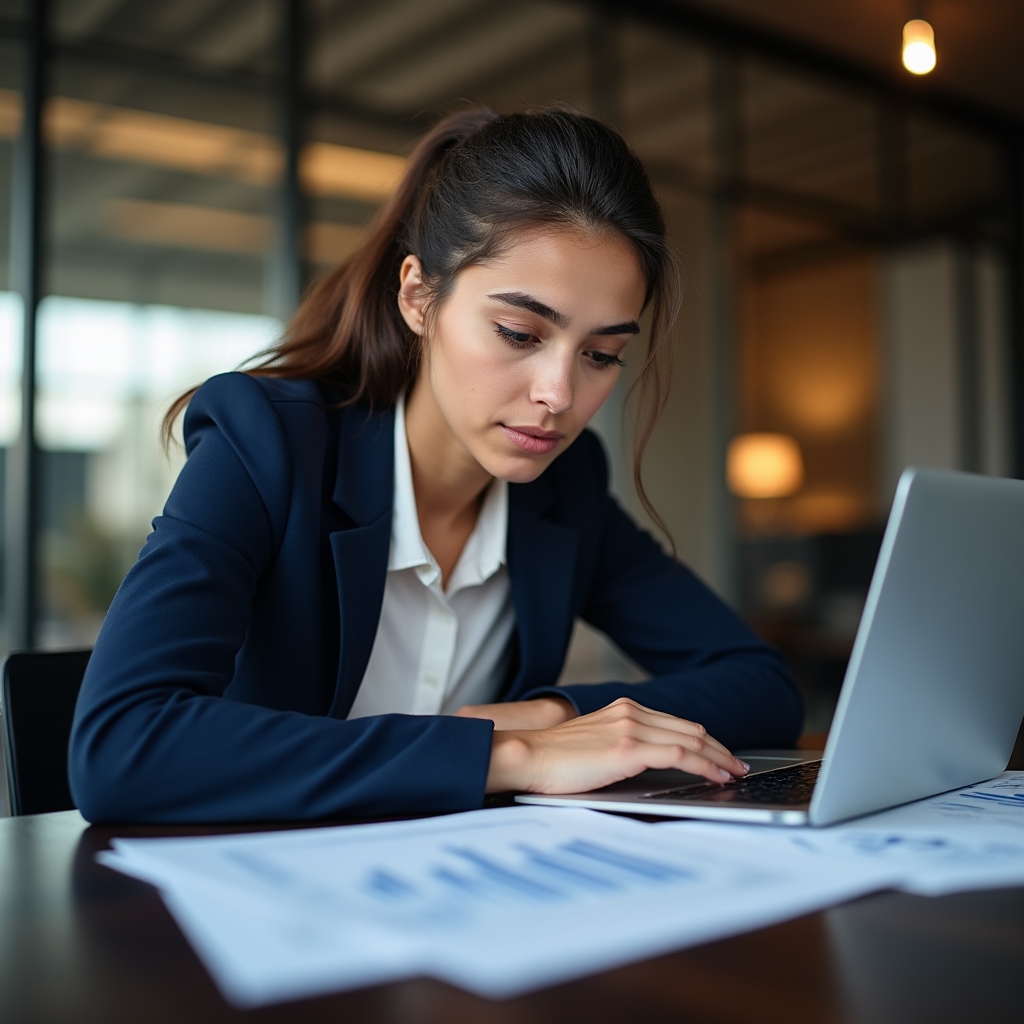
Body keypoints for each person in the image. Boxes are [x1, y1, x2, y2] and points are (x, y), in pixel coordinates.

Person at [69, 108, 802, 823]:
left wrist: (552, 713)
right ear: (419, 296)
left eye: (601, 354)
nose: (559, 394)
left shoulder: (562, 490)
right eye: (519, 332)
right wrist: (515, 756)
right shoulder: (267, 443)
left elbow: (763, 685)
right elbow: (122, 747)